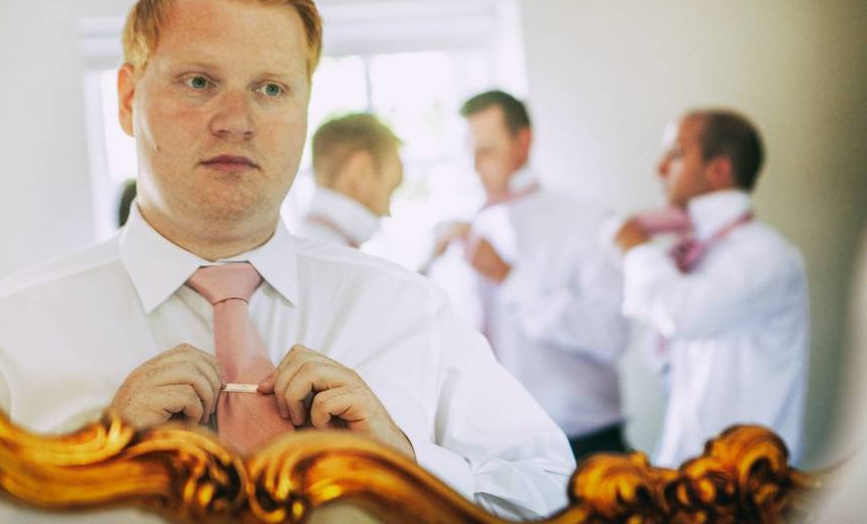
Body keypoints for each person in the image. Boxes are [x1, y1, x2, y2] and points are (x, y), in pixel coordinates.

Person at [0, 0, 574, 519]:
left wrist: (404, 468)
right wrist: (89, 469)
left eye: (271, 89)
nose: (237, 122)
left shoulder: (409, 310)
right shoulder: (4, 334)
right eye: (199, 82)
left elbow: (553, 494)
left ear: (305, 107)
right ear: (129, 99)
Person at [429, 90, 630, 460]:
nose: (475, 165)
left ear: (523, 143)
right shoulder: (460, 230)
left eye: (487, 151)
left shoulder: (587, 219)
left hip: (584, 446)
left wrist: (508, 277)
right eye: (470, 151)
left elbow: (611, 334)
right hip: (495, 451)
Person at [613, 109, 809, 467]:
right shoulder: (694, 252)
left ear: (718, 170)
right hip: (689, 473)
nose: (659, 169)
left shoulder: (764, 254)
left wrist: (637, 248)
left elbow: (680, 314)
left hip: (746, 488)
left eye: (675, 154)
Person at [297, 113, 402, 248]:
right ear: (361, 171)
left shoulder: (300, 247)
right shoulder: (336, 258)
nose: (388, 213)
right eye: (390, 190)